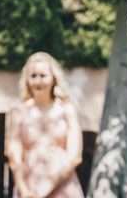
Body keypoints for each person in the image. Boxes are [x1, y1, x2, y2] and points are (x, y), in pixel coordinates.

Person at [6, 52, 84, 198]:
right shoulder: (18, 112)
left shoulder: (67, 110)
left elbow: (75, 156)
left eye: (43, 75)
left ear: (53, 78)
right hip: (29, 187)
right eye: (33, 76)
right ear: (27, 80)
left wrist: (46, 189)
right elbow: (14, 155)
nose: (38, 81)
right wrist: (24, 189)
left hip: (63, 186)